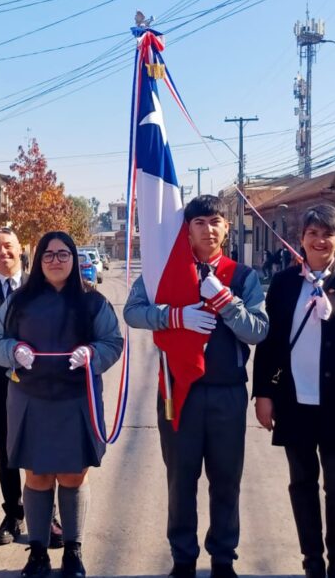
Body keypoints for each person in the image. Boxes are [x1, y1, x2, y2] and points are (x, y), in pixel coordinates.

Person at [124, 194, 269, 578]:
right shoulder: (165, 272)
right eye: (200, 222)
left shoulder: (243, 276)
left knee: (226, 481)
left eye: (215, 221)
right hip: (178, 392)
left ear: (227, 227)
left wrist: (224, 300)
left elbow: (257, 330)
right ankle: (183, 559)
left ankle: (223, 558)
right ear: (186, 229)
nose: (209, 229)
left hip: (227, 394)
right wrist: (174, 317)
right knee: (180, 479)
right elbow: (133, 311)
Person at [252, 204, 335, 578]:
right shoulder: (283, 284)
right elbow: (271, 342)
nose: (320, 240)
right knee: (302, 485)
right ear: (302, 239)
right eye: (313, 233)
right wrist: (263, 393)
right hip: (295, 405)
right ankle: (312, 562)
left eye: (328, 234)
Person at [0, 231, 124, 578]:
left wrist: (92, 354)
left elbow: (112, 341)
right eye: (48, 255)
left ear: (74, 259)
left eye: (63, 254)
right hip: (31, 399)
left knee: (73, 475)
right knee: (36, 475)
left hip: (76, 399)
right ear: (38, 260)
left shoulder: (93, 302)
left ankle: (73, 552)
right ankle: (37, 552)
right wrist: (12, 352)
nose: (55, 260)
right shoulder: (19, 301)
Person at [0, 227, 64, 547]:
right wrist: (11, 364)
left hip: (40, 387)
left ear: (21, 250)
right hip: (0, 386)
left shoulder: (39, 288)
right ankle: (13, 513)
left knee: (41, 451)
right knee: (7, 452)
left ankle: (48, 515)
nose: (3, 253)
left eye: (8, 246)